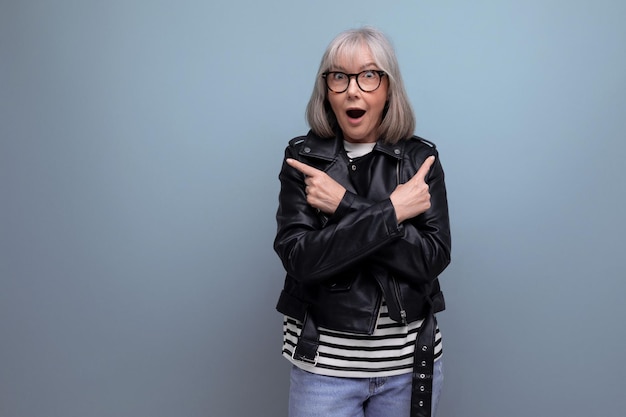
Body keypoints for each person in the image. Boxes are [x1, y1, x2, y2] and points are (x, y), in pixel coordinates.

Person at [273, 27, 451, 417]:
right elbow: (302, 261)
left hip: (409, 369)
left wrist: (342, 206)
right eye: (339, 76)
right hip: (323, 370)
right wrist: (392, 212)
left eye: (369, 75)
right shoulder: (302, 159)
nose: (353, 90)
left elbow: (430, 260)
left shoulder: (420, 160)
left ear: (389, 88)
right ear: (327, 90)